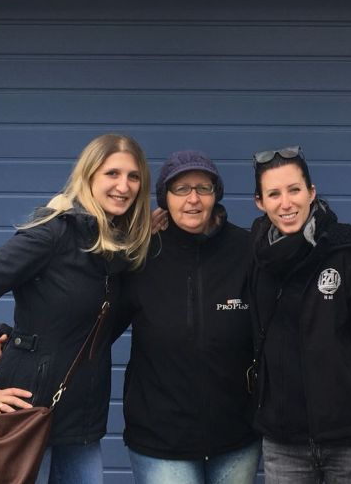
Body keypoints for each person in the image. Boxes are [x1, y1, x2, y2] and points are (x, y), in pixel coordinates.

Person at [0, 133, 152, 484]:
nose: (123, 185)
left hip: (80, 422)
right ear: (88, 177)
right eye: (112, 173)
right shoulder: (52, 234)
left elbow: (87, 323)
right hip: (25, 412)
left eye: (133, 176)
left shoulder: (115, 251)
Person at [248, 146, 351, 484]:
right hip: (283, 444)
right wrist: (159, 226)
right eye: (274, 194)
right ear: (260, 202)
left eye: (294, 190)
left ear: (311, 192)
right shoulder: (256, 256)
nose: (286, 203)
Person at [114, 150, 260, 484]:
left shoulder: (247, 249)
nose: (193, 199)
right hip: (161, 441)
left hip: (236, 436)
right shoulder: (143, 253)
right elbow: (92, 318)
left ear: (215, 194)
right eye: (181, 189)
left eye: (203, 188)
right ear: (164, 198)